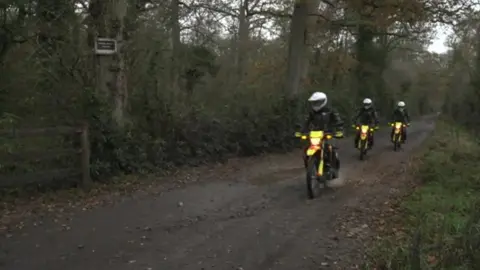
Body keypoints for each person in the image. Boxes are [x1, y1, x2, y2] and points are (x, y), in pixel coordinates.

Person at [300, 92, 344, 178]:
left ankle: (333, 168)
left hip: (328, 133)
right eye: (314, 102)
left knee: (330, 149)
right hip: (315, 134)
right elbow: (305, 122)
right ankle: (309, 167)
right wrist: (302, 131)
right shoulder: (311, 113)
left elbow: (338, 120)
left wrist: (339, 130)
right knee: (306, 149)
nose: (316, 104)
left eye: (318, 102)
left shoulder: (330, 110)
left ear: (324, 101)